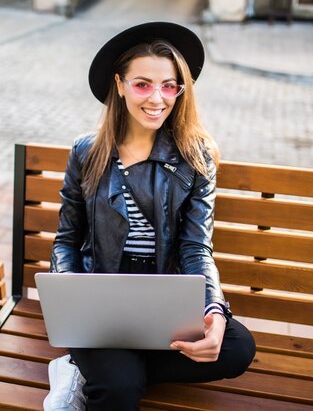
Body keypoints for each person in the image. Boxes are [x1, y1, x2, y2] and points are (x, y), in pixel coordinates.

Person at [44, 22, 256, 411]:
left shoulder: (196, 158)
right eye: (142, 84)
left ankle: (85, 369)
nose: (157, 98)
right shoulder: (87, 152)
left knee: (238, 348)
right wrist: (72, 297)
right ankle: (106, 369)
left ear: (180, 89)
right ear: (120, 84)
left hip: (163, 299)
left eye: (169, 85)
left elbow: (196, 246)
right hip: (100, 296)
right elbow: (66, 240)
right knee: (119, 392)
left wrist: (213, 309)